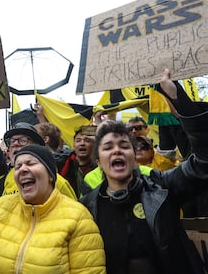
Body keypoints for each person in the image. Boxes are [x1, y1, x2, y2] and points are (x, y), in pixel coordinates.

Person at [80, 69, 208, 274]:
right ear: (98, 161)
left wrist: (178, 99)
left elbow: (204, 161)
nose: (116, 150)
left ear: (133, 155)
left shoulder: (162, 187)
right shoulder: (86, 209)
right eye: (107, 147)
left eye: (124, 145)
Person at [0, 144, 106, 273]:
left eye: (30, 163)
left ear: (51, 176)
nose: (22, 169)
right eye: (17, 166)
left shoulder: (78, 217)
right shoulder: (1, 208)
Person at [0, 122, 77, 209]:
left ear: (36, 146)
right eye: (12, 141)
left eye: (22, 140)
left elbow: (75, 215)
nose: (15, 144)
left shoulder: (56, 182)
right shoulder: (0, 183)